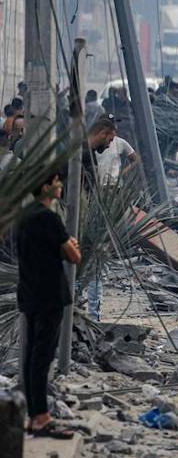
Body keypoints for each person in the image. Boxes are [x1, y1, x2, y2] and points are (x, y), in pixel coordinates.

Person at [17, 171, 82, 439]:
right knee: (42, 358)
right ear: (45, 187)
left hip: (30, 294)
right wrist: (70, 246)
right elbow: (74, 256)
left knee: (32, 356)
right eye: (56, 182)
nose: (60, 186)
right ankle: (42, 418)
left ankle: (34, 416)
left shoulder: (25, 217)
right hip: (50, 296)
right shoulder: (49, 218)